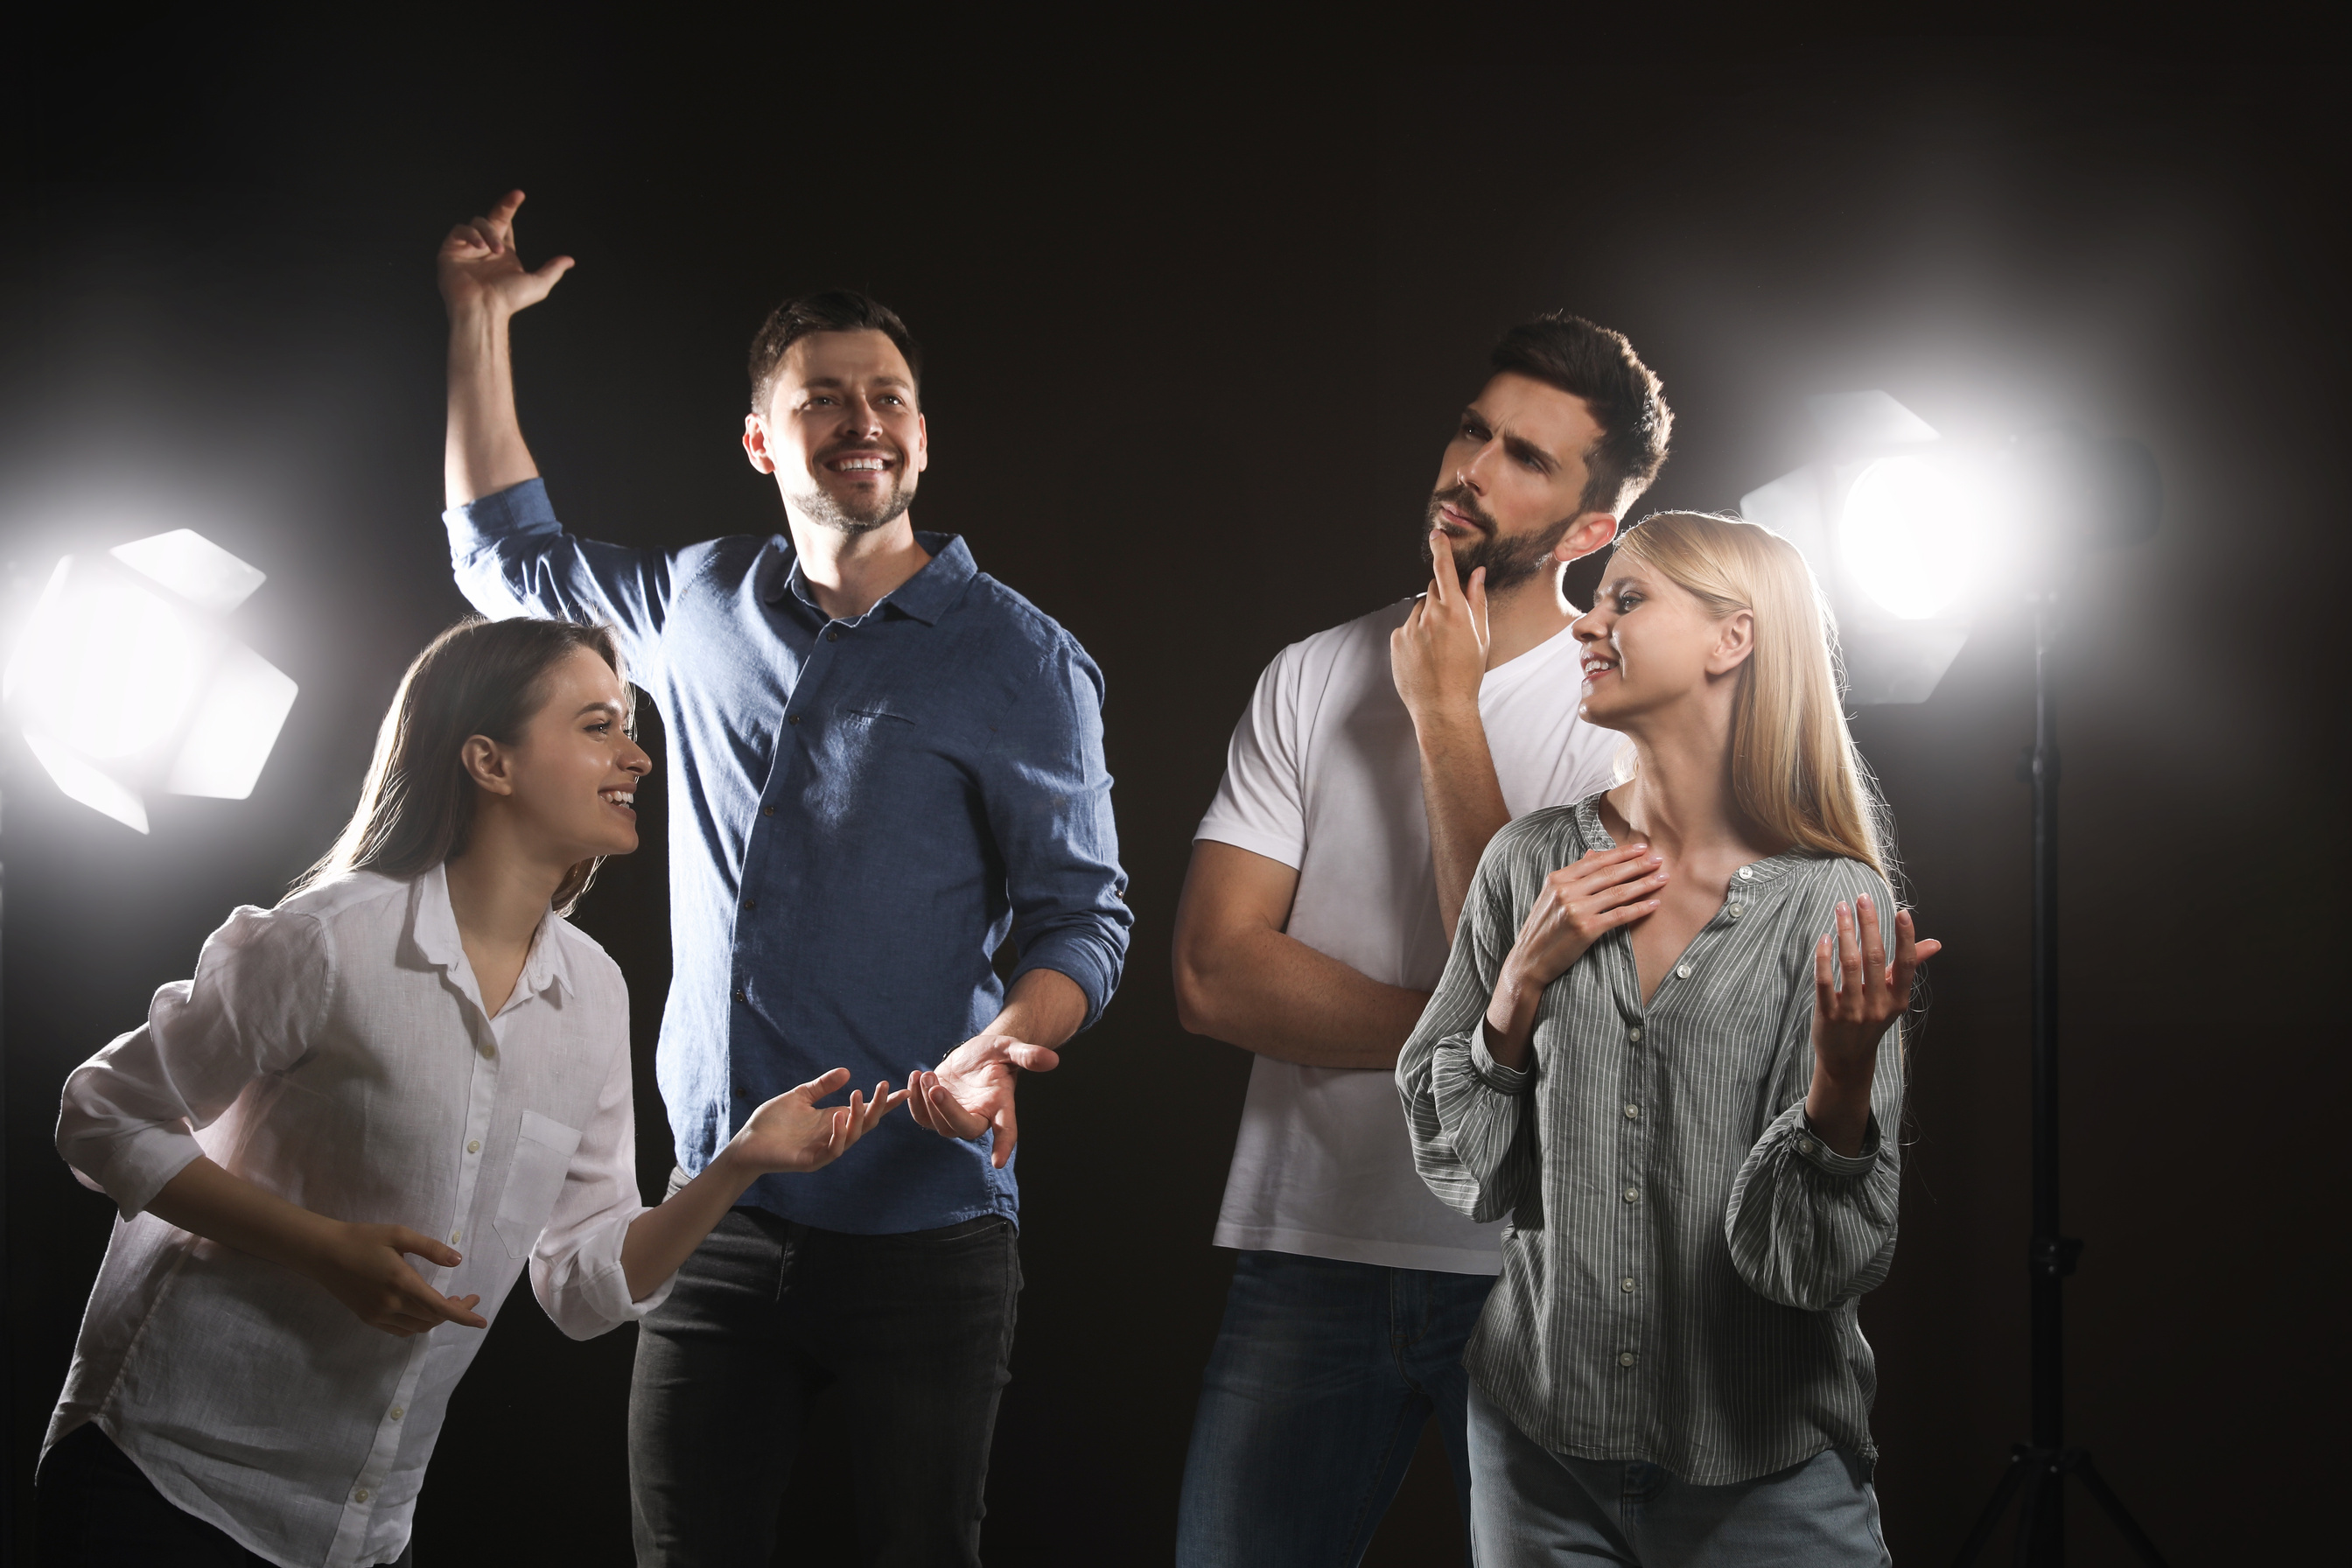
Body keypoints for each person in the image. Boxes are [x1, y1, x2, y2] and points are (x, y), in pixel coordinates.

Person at [434, 192, 1131, 1565]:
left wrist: (1006, 1044)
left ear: (923, 435)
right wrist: (476, 326)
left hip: (925, 1231)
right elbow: (501, 561)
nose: (864, 418)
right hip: (716, 1215)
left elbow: (1082, 918)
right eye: (824, 398)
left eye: (891, 397)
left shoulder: (1021, 659)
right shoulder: (698, 603)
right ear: (763, 439)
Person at [38, 616, 904, 1568]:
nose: (637, 757)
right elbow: (103, 1113)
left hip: (364, 1528)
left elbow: (581, 1279)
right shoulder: (325, 940)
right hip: (165, 1485)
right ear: (490, 761)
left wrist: (739, 1164)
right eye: (598, 726)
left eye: (630, 726)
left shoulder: (594, 991)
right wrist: (323, 1248)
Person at [1171, 313, 1673, 1563]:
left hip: (1537, 1273)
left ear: (1591, 528)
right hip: (1310, 1248)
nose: (1474, 469)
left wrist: (1447, 711)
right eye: (1473, 431)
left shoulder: (1632, 714)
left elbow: (1563, 1014)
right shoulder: (1308, 675)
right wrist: (1463, 1038)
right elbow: (1212, 973)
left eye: (1527, 459)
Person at [1396, 511, 1940, 1565]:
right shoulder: (1526, 865)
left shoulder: (1835, 903)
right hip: (1537, 1460)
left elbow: (1814, 1266)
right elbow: (1469, 1178)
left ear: (1731, 638)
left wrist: (1840, 1082)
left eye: (1625, 600)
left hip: (1765, 1472)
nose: (1586, 627)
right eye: (1594, 603)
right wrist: (1514, 990)